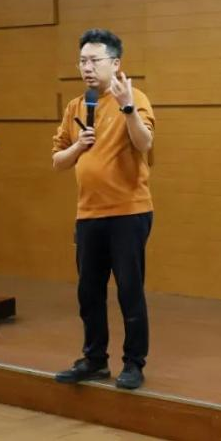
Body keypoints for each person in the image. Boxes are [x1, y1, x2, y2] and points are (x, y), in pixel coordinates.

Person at [51, 28, 155, 390]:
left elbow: (144, 142)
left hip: (129, 212)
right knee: (89, 292)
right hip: (89, 215)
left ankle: (134, 363)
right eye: (82, 61)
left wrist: (127, 109)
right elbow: (58, 161)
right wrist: (78, 146)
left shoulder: (134, 98)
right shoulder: (76, 107)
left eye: (94, 60)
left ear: (115, 63)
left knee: (129, 290)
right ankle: (94, 360)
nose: (87, 68)